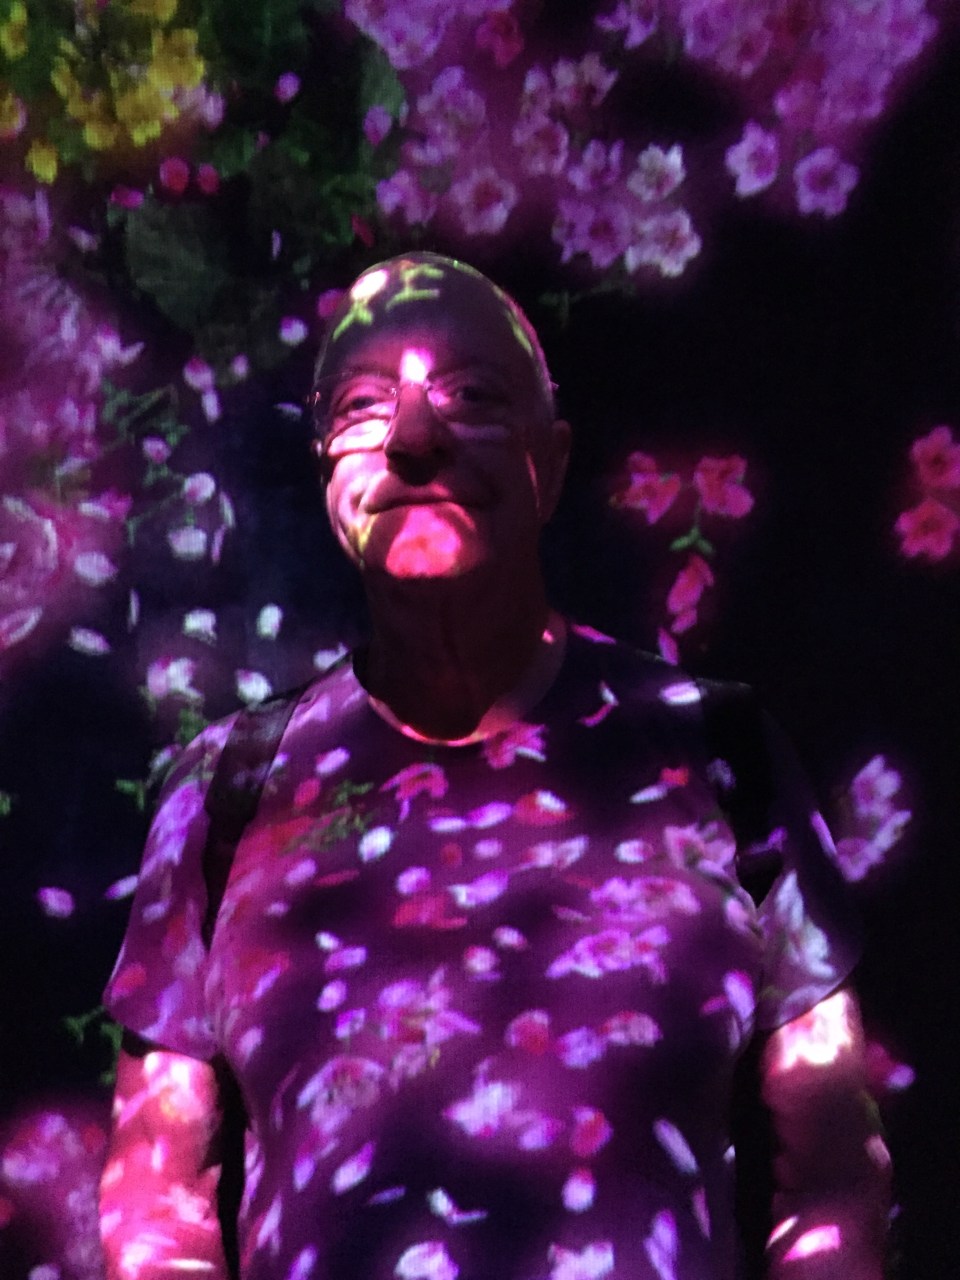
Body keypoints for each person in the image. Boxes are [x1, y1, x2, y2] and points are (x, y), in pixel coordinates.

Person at [99, 253, 890, 1280]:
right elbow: (156, 1199)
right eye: (361, 406)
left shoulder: (719, 750)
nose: (413, 438)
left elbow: (833, 1171)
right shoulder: (225, 790)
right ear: (325, 472)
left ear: (550, 464)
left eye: (471, 395)